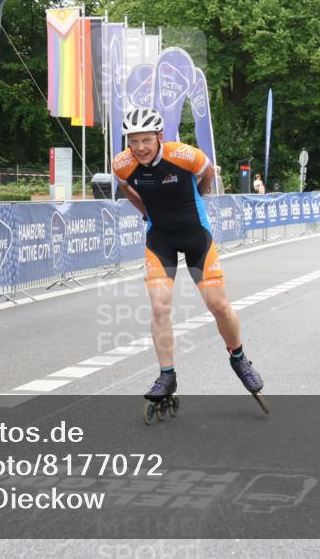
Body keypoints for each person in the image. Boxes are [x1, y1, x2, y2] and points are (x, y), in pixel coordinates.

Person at [112, 107, 266, 412]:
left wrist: (198, 196)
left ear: (159, 137)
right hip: (160, 240)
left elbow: (208, 172)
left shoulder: (184, 155)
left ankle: (238, 357)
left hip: (196, 237)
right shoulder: (123, 163)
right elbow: (124, 187)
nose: (140, 147)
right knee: (159, 306)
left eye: (146, 140)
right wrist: (145, 212)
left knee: (218, 305)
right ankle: (167, 376)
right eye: (133, 141)